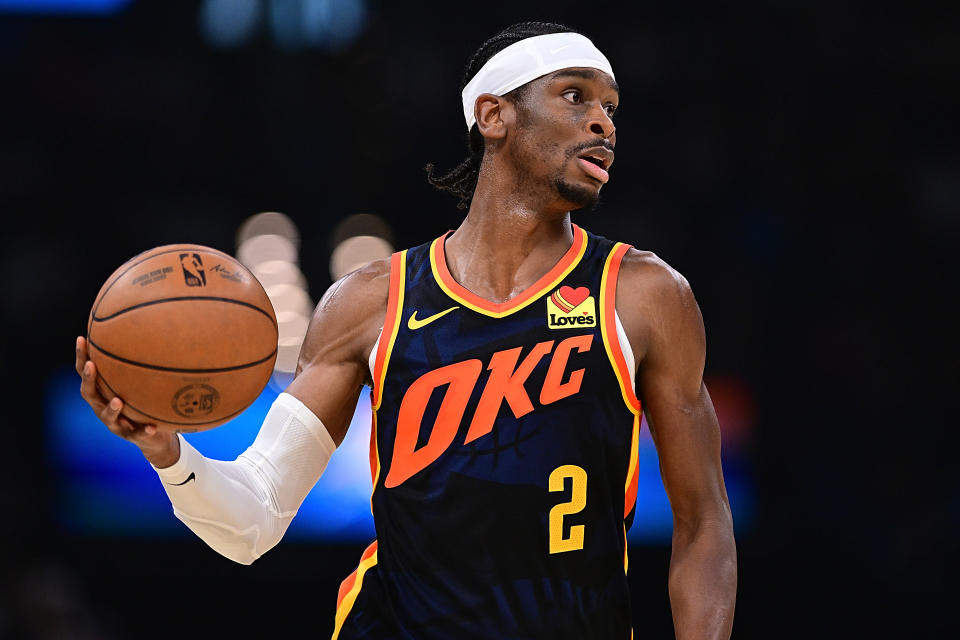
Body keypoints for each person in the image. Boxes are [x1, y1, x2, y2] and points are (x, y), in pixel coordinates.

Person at [75, 21, 736, 640]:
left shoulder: (643, 296)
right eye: (575, 95)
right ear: (494, 114)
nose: (603, 122)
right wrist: (169, 453)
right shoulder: (370, 303)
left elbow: (704, 526)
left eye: (611, 108)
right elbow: (254, 517)